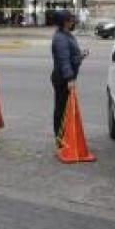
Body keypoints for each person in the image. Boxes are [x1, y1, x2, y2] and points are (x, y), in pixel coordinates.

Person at [50, 10, 88, 141]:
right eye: (71, 20)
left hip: (65, 77)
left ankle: (65, 135)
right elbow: (64, 60)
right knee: (61, 110)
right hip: (62, 79)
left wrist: (80, 55)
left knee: (65, 109)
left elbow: (71, 57)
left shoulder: (66, 35)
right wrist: (70, 79)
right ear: (65, 22)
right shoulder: (60, 38)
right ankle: (60, 139)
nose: (73, 23)